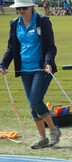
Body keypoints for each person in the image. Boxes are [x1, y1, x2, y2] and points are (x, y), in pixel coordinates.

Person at [0, 0, 61, 149]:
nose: (21, 10)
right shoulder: (15, 24)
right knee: (32, 105)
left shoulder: (43, 21)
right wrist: (3, 64)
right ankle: (42, 138)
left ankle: (54, 130)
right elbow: (12, 47)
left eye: (24, 7)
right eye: (18, 8)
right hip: (24, 69)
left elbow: (51, 47)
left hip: (41, 68)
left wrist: (48, 62)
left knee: (35, 99)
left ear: (32, 7)